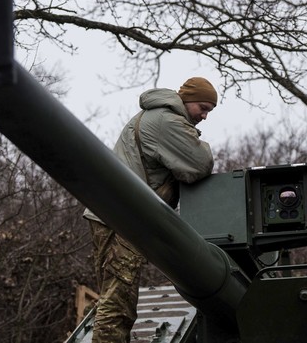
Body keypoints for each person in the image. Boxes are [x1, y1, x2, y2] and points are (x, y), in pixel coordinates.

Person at [83, 76, 218, 343]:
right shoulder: (167, 122)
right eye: (203, 107)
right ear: (186, 100)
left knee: (114, 295)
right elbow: (200, 164)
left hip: (110, 214)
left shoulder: (155, 116)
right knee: (118, 302)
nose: (204, 116)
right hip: (123, 219)